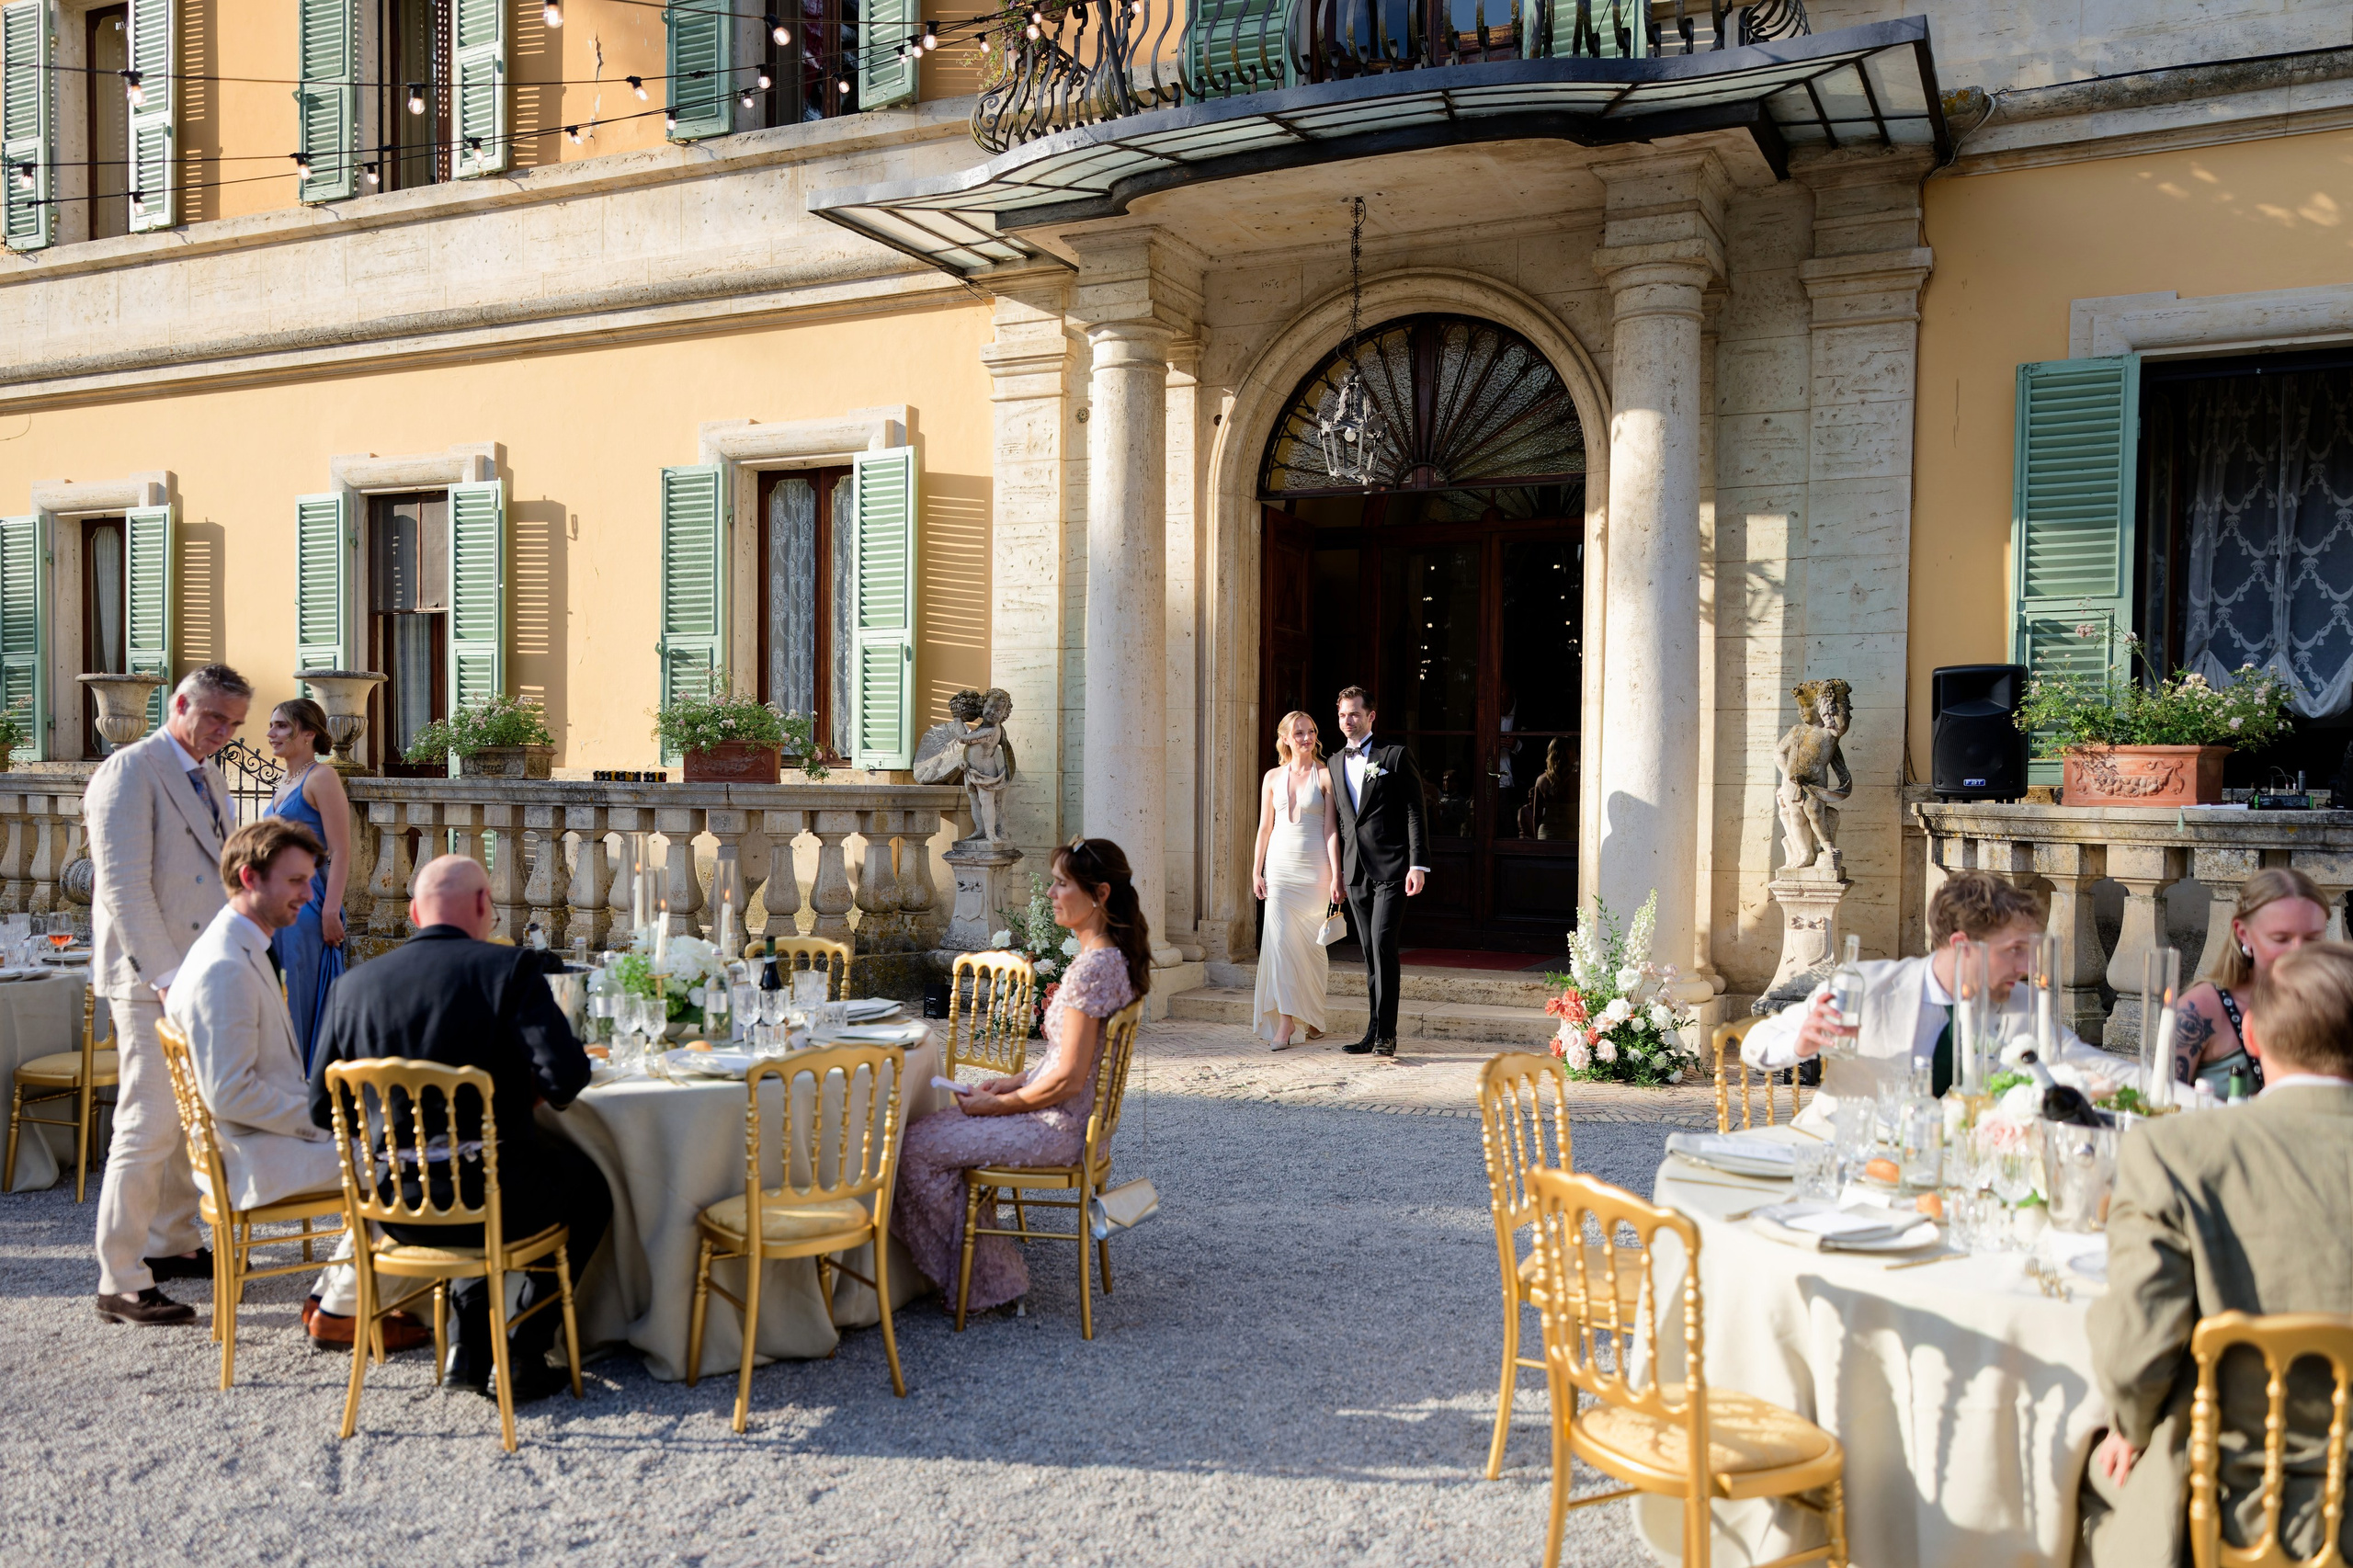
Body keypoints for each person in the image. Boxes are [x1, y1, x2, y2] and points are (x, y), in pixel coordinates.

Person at [2081, 940, 2353, 1566]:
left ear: (2251, 1036)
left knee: (2065, 1481)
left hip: (2231, 1503)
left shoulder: (2176, 1152)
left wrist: (2130, 1422)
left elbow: (2134, 1353)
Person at [307, 855, 608, 1404]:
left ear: (417, 914)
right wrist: (516, 1091)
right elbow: (566, 1080)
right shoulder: (511, 970)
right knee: (588, 1188)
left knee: (489, 1172)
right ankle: (523, 1350)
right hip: (495, 1203)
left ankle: (469, 1346)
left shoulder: (352, 987)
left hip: (393, 1209)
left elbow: (321, 1109)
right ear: (480, 906)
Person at [167, 819, 426, 1353]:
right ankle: (345, 1311)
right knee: (402, 1161)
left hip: (249, 1139)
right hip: (247, 1154)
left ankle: (335, 1295)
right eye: (296, 882)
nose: (309, 896)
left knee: (385, 1139)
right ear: (249, 877)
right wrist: (329, 1122)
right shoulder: (224, 967)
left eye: (311, 881)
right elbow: (230, 1094)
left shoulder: (240, 944)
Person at [894, 837, 1147, 1314]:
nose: (1051, 894)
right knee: (933, 1132)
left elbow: (1068, 1080)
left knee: (913, 1149)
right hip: (1075, 1124)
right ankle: (967, 1262)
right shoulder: (1115, 960)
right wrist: (1011, 1082)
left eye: (1060, 884)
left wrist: (996, 1105)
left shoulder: (1091, 971)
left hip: (1058, 1129)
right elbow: (1072, 1063)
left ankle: (990, 1279)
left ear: (1101, 894)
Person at [87, 665, 251, 1327]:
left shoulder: (208, 777)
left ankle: (174, 1241)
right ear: (180, 703)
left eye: (234, 724)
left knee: (192, 1120)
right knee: (146, 1123)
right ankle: (119, 1278)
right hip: (151, 978)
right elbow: (123, 886)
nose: (224, 734)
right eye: (215, 718)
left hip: (200, 972)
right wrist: (162, 976)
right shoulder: (129, 770)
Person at [1743, 869, 2115, 1098]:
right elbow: (1755, 1044)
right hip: (1848, 1155)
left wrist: (2172, 1103)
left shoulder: (2024, 1003)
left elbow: (2097, 1064)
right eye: (2015, 950)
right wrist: (1801, 1042)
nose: (2029, 965)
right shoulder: (1867, 988)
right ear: (1962, 946)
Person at [2169, 867, 2330, 1095]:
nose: (2298, 953)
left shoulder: (2335, 1005)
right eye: (2281, 938)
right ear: (2243, 933)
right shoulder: (2200, 1010)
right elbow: (2160, 1107)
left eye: (2313, 939)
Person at [1330, 686, 1428, 1059]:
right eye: (1342, 715)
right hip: (1355, 871)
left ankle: (1387, 1033)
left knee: (1384, 945)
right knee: (1370, 952)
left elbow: (1415, 811)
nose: (1348, 721)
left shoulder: (1395, 755)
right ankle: (1372, 1030)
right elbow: (1342, 821)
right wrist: (1338, 872)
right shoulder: (1335, 761)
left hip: (1392, 867)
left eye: (1354, 713)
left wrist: (1418, 863)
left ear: (1371, 716)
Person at [261, 698, 352, 1071]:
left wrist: (331, 911)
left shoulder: (322, 777)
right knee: (276, 998)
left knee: (299, 995)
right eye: (272, 725)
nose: (271, 734)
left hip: (308, 906)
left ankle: (306, 1092)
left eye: (282, 726)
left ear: (309, 733)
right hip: (275, 907)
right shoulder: (284, 780)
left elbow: (342, 850)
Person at [1250, 710, 1341, 1051]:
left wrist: (1336, 875)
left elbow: (1331, 829)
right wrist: (1256, 871)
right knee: (1280, 943)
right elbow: (1264, 828)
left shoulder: (1325, 774)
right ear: (1285, 737)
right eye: (1299, 732)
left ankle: (1314, 1016)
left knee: (1312, 949)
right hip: (1280, 869)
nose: (1307, 737)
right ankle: (1286, 1022)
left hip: (1315, 869)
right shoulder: (1272, 777)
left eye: (1311, 731)